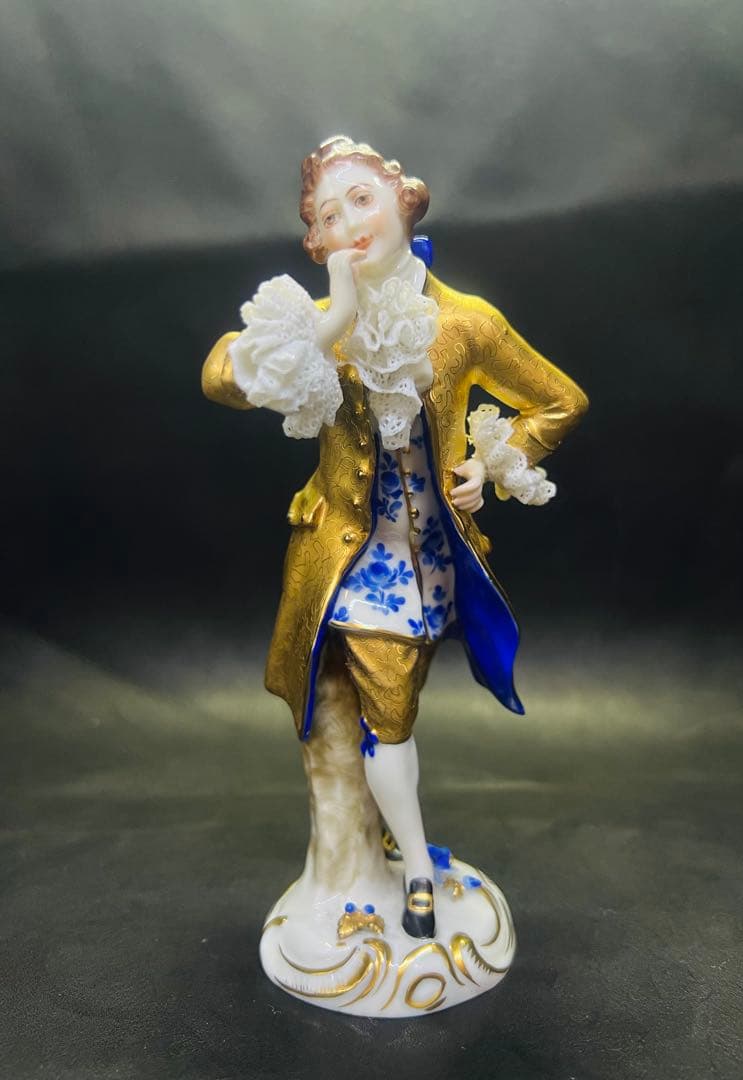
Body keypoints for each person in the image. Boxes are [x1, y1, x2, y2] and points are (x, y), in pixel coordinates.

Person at [202, 135, 588, 939]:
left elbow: (559, 401)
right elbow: (224, 377)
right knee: (364, 718)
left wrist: (493, 461)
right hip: (341, 561)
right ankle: (400, 865)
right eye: (327, 217)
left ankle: (400, 858)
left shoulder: (465, 323)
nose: (348, 224)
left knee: (392, 714)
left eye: (361, 201)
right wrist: (335, 317)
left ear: (404, 203)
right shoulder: (315, 326)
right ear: (317, 244)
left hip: (426, 558)